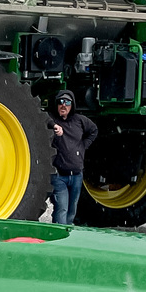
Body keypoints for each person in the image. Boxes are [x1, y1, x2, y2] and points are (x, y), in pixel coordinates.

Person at [48, 90, 98, 226]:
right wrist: (54, 126)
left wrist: (83, 146)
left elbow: (94, 130)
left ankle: (67, 237)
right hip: (59, 176)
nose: (63, 105)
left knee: (72, 210)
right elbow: (41, 116)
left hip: (76, 175)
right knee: (61, 209)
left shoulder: (80, 120)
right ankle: (58, 236)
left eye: (67, 102)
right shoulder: (53, 119)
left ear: (72, 105)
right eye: (60, 102)